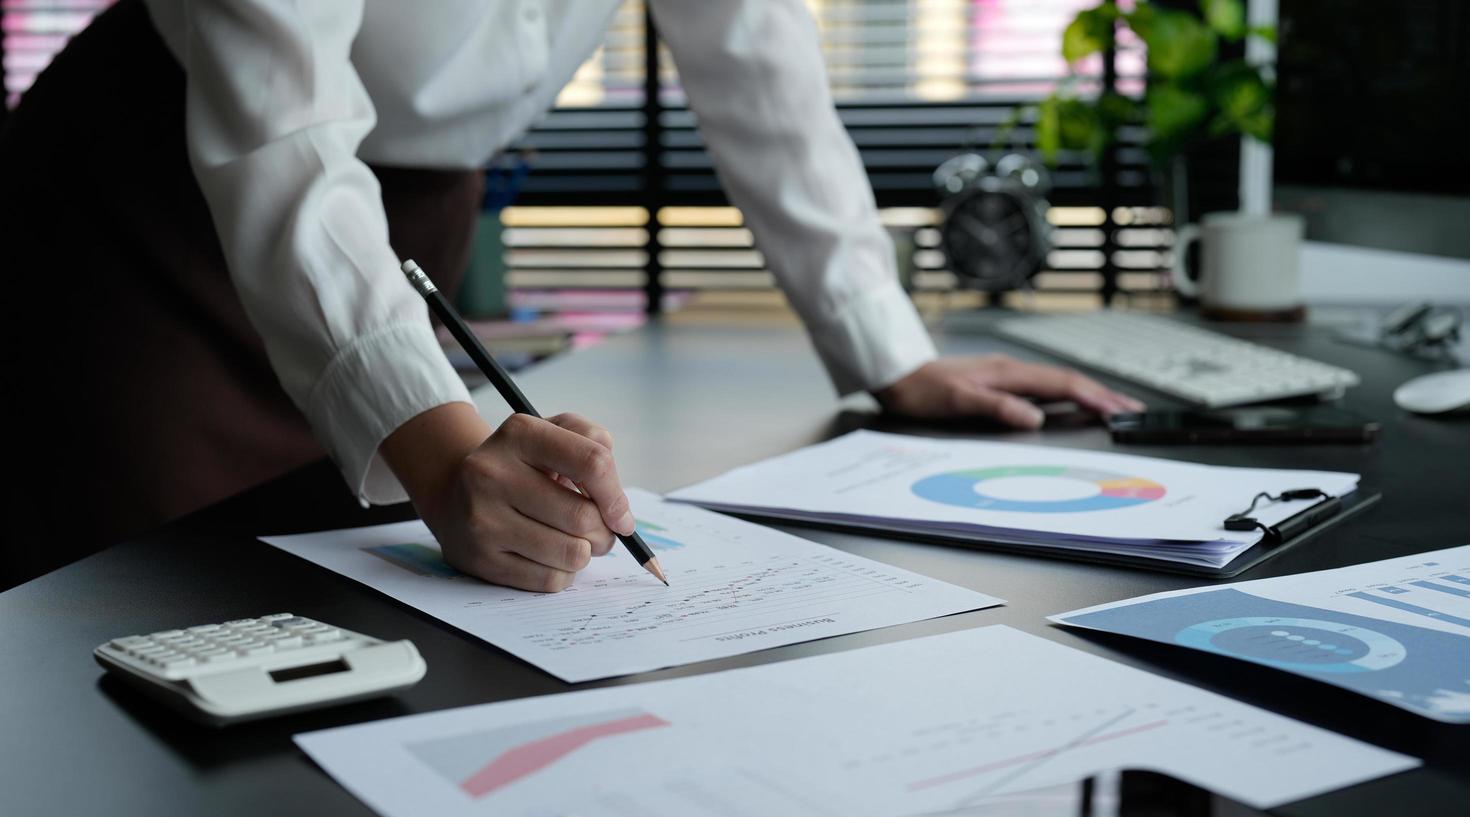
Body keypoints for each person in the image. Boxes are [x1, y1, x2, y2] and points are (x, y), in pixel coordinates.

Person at [0, 0, 1141, 591]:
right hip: (143, 218)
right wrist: (444, 453)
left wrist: (889, 347)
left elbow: (754, 55)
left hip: (398, 225)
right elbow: (283, 136)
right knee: (143, 614)